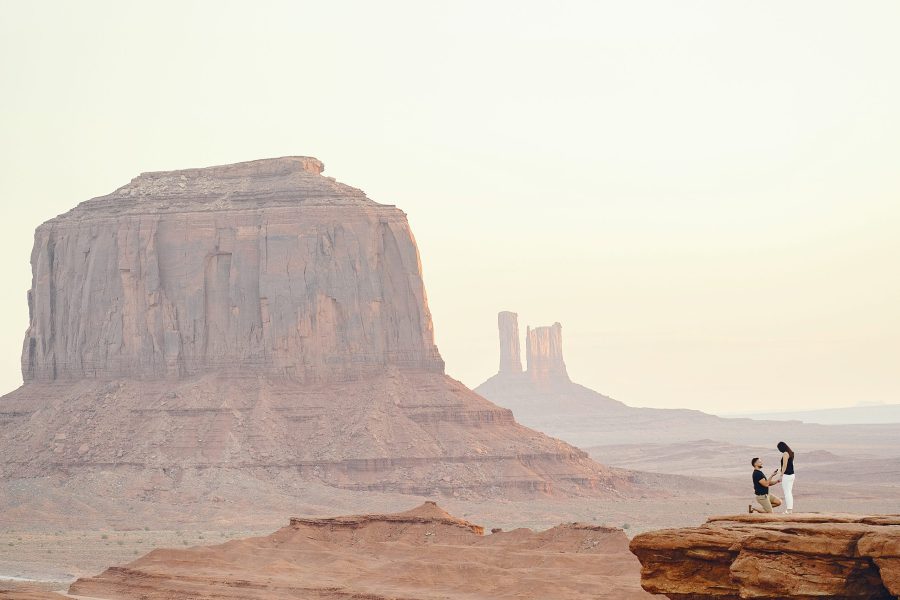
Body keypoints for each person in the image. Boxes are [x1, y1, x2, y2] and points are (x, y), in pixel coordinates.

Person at [775, 441, 796, 514]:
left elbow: (784, 466)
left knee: (787, 492)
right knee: (789, 492)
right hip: (792, 475)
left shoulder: (785, 454)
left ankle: (789, 510)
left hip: (787, 475)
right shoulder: (791, 453)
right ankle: (790, 509)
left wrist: (781, 475)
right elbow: (791, 465)